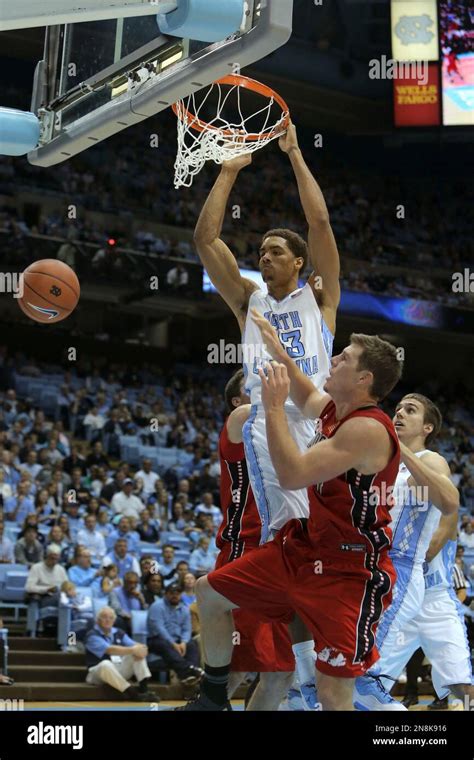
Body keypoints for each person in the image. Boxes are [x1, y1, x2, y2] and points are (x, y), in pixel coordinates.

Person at [180, 329, 403, 711]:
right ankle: (213, 699)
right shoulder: (336, 409)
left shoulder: (367, 428)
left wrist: (272, 407)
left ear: (364, 379)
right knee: (209, 593)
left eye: (344, 358)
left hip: (348, 573)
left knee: (332, 695)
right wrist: (275, 346)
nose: (333, 361)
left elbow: (292, 474)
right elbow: (307, 393)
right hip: (304, 549)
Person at [192, 128, 340, 699]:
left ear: (299, 263)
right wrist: (228, 171)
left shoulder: (321, 298)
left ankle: (321, 666)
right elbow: (207, 239)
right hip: (272, 427)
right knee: (295, 544)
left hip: (322, 424)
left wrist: (295, 153)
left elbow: (322, 225)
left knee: (329, 550)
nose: (264, 256)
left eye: (276, 250)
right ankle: (299, 674)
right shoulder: (247, 301)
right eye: (260, 252)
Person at [354, 394, 460, 711]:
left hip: (400, 575)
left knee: (363, 678)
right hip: (374, 573)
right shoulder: (385, 462)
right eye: (397, 408)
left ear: (427, 427)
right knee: (356, 676)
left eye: (409, 411)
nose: (398, 413)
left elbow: (449, 502)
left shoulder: (430, 459)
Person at [85, 606, 156, 701]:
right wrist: (134, 649)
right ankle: (133, 694)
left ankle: (144, 690)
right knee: (105, 664)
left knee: (137, 652)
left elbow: (135, 645)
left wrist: (142, 648)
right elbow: (110, 649)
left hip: (117, 669)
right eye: (104, 617)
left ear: (114, 620)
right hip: (97, 673)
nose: (108, 620)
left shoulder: (119, 632)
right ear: (98, 620)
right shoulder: (92, 635)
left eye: (111, 618)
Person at [147, 584, 202, 685]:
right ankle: (190, 670)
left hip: (177, 640)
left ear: (181, 595)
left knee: (192, 643)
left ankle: (191, 676)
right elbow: (159, 629)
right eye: (172, 593)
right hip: (156, 640)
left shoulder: (184, 608)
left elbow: (187, 629)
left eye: (177, 593)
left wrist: (184, 643)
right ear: (166, 594)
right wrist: (173, 644)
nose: (175, 595)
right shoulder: (157, 606)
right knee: (164, 644)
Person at [25, 544, 68, 621]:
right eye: (52, 558)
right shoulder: (36, 568)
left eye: (56, 559)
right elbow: (28, 587)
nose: (54, 561)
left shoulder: (61, 569)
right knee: (61, 598)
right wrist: (46, 589)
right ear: (46, 556)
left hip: (59, 597)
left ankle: (66, 629)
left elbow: (66, 586)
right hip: (43, 598)